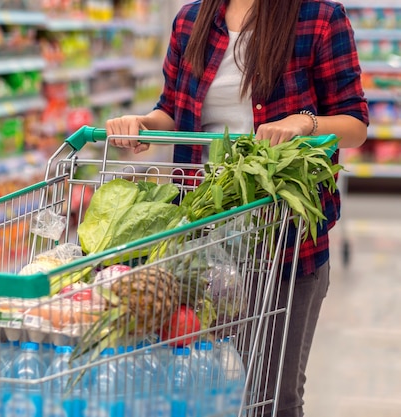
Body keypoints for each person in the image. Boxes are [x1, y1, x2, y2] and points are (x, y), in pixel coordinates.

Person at [105, 1, 368, 416]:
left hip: (282, 240)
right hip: (200, 239)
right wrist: (140, 123)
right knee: (203, 389)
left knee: (271, 399)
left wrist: (305, 123)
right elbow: (172, 110)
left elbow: (354, 126)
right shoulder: (192, 20)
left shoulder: (318, 17)